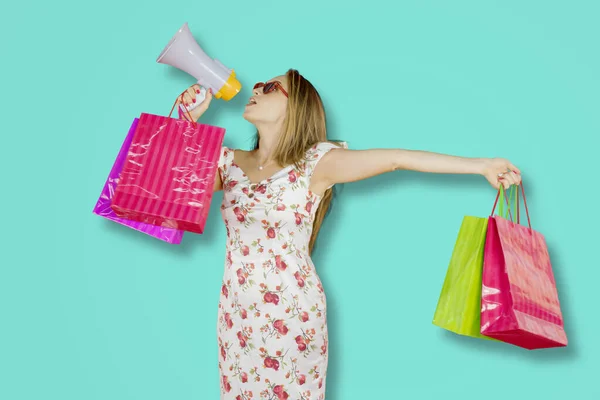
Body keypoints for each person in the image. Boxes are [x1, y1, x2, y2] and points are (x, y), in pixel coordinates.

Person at [175, 69, 522, 400]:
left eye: (270, 87)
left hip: (291, 315)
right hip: (236, 318)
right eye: (259, 84)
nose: (255, 89)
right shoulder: (228, 163)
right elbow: (164, 190)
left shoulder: (316, 162)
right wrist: (182, 119)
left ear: (297, 108)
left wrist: (480, 165)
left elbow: (397, 159)